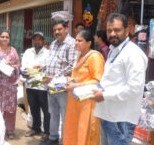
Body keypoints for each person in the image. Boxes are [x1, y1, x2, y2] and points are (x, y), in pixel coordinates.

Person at [92, 13, 148, 145]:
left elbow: (134, 88)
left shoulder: (133, 53)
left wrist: (104, 95)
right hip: (107, 114)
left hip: (120, 119)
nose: (112, 34)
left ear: (127, 31)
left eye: (117, 30)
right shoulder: (114, 50)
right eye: (109, 30)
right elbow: (113, 80)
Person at [63, 29, 104, 145]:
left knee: (86, 133)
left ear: (89, 43)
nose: (76, 43)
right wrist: (67, 81)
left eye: (80, 41)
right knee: (73, 131)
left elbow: (98, 81)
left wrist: (77, 85)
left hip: (88, 102)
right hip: (75, 101)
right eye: (75, 40)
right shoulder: (79, 57)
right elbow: (76, 76)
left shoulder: (94, 57)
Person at [40, 20, 77, 145]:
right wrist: (43, 69)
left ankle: (64, 141)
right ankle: (53, 138)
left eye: (59, 29)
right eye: (55, 30)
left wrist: (54, 77)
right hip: (51, 86)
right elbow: (51, 61)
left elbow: (73, 66)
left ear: (66, 28)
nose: (57, 32)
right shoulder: (54, 43)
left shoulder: (72, 44)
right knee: (53, 113)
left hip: (63, 87)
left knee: (65, 115)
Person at [0, 30, 21, 139]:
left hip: (10, 85)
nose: (5, 39)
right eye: (2, 37)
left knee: (10, 108)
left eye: (7, 37)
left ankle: (9, 130)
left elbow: (18, 66)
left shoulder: (13, 51)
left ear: (9, 39)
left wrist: (12, 65)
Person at [22, 32, 50, 142]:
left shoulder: (48, 53)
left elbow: (48, 68)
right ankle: (36, 128)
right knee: (33, 109)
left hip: (42, 87)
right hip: (30, 86)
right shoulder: (28, 52)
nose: (37, 41)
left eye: (40, 39)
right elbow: (24, 66)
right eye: (35, 39)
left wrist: (39, 70)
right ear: (33, 40)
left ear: (43, 41)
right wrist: (31, 70)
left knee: (46, 111)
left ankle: (47, 132)